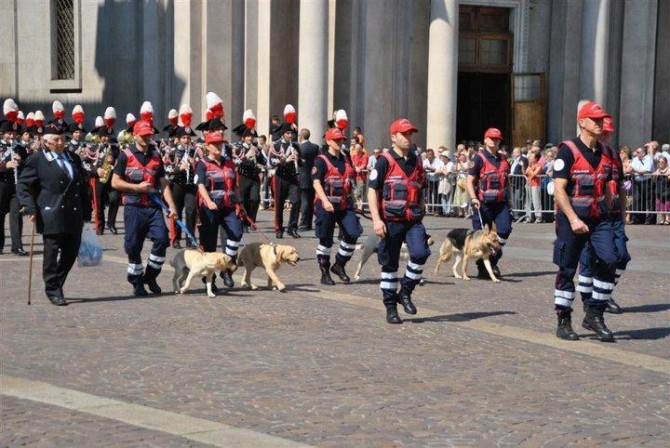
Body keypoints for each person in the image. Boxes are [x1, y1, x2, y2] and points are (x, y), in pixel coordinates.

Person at [551, 101, 618, 342]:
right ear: (582, 122)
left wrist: (608, 209)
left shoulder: (608, 153)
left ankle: (594, 314)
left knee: (611, 258)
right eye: (595, 119)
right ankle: (564, 319)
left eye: (602, 120)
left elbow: (610, 185)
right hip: (572, 218)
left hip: (598, 218)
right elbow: (559, 189)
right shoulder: (567, 150)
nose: (600, 124)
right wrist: (572, 218)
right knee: (567, 269)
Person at [16, 123, 92, 305]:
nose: (60, 143)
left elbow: (81, 185)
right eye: (56, 140)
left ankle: (57, 282)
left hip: (73, 212)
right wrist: (29, 206)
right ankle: (52, 289)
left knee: (71, 252)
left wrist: (87, 210)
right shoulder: (37, 160)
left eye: (63, 139)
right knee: (51, 252)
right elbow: (23, 185)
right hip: (50, 211)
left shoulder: (73, 158)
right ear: (46, 142)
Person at [368, 118, 431, 324]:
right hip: (390, 220)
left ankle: (405, 290)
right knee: (390, 265)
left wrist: (421, 205)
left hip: (412, 219)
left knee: (421, 253)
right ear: (393, 137)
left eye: (410, 134)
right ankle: (390, 308)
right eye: (403, 134)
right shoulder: (384, 160)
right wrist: (377, 221)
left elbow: (420, 186)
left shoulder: (417, 160)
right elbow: (371, 190)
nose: (408, 138)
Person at [111, 120, 177, 297]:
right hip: (134, 207)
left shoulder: (156, 156)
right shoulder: (125, 155)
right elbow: (115, 182)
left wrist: (171, 206)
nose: (147, 138)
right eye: (143, 135)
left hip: (154, 207)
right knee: (133, 247)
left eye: (149, 135)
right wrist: (136, 188)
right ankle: (136, 281)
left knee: (163, 240)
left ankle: (150, 276)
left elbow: (163, 184)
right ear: (135, 136)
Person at [312, 127, 363, 285]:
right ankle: (325, 272)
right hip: (326, 205)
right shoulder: (321, 160)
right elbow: (316, 182)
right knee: (326, 240)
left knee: (353, 232)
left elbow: (350, 181)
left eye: (341, 139)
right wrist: (325, 201)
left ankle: (339, 264)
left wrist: (355, 199)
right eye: (336, 140)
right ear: (328, 141)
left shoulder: (346, 158)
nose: (340, 142)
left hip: (344, 204)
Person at [196, 130, 245, 291]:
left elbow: (235, 185)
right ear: (207, 146)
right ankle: (210, 280)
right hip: (210, 208)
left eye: (220, 143)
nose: (218, 146)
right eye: (215, 144)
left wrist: (240, 203)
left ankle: (226, 268)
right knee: (209, 245)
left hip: (228, 206)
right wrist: (208, 202)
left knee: (236, 233)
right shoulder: (202, 164)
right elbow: (201, 185)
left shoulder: (229, 163)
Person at [466, 128, 513, 279]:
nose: (494, 141)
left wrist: (510, 199)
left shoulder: (503, 159)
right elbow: (470, 180)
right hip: (482, 203)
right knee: (481, 237)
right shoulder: (478, 159)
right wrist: (473, 198)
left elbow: (506, 182)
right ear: (485, 140)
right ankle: (483, 266)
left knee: (504, 230)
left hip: (500, 203)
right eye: (491, 138)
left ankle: (492, 261)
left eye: (497, 139)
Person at [268, 122, 302, 238]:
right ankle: (279, 228)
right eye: (288, 133)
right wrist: (285, 160)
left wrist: (298, 158)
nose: (290, 135)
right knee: (279, 204)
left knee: (296, 201)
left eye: (291, 133)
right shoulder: (275, 146)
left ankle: (292, 227)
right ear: (283, 134)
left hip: (292, 177)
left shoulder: (295, 146)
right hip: (280, 177)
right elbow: (271, 162)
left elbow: (301, 162)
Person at [0, 119, 28, 255]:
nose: (12, 137)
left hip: (16, 186)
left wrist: (21, 161)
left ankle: (17, 246)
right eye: (9, 134)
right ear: (2, 133)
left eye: (14, 134)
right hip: (1, 185)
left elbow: (28, 167)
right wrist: (6, 165)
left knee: (16, 216)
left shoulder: (20, 148)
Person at [298, 128, 320, 230]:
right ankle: (309, 223)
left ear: (301, 136)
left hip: (302, 176)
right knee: (310, 201)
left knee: (305, 201)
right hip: (313, 176)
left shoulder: (299, 147)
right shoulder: (315, 147)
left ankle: (304, 223)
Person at [652, 156, 670, 224]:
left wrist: (667, 175)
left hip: (667, 190)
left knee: (667, 205)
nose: (660, 163)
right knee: (661, 205)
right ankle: (663, 219)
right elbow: (653, 181)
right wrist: (654, 176)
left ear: (666, 163)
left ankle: (668, 219)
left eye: (662, 162)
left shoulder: (668, 169)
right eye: (659, 162)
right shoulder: (657, 170)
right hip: (659, 190)